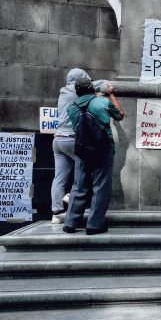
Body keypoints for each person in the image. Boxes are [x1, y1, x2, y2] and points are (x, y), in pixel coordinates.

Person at [63, 77, 125, 235]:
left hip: (82, 149)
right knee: (100, 186)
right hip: (103, 148)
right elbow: (120, 115)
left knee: (79, 185)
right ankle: (94, 225)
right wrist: (111, 95)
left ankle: (70, 223)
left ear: (77, 92)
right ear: (92, 88)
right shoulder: (102, 102)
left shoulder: (72, 107)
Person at [50, 69, 107, 224]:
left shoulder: (63, 92)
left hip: (58, 140)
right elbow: (102, 84)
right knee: (87, 171)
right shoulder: (76, 91)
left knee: (59, 177)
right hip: (72, 139)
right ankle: (70, 197)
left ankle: (56, 212)